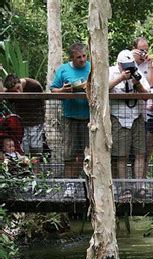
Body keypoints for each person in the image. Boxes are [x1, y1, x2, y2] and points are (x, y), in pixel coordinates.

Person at [109, 49, 150, 200]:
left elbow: (147, 96)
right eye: (124, 66)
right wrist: (120, 78)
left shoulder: (137, 72)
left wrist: (137, 84)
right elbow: (103, 89)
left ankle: (139, 187)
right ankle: (124, 188)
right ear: (119, 64)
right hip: (118, 119)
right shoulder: (111, 72)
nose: (127, 68)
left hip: (136, 118)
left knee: (140, 153)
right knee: (121, 155)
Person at [51, 42, 90, 198]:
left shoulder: (92, 68)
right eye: (78, 57)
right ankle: (69, 184)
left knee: (88, 154)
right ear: (72, 58)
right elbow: (53, 89)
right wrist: (64, 90)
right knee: (69, 153)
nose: (82, 60)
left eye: (84, 56)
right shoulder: (63, 69)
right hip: (70, 118)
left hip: (89, 118)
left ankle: (89, 184)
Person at [132, 37, 153, 176]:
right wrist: (133, 59)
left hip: (150, 116)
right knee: (133, 152)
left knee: (147, 151)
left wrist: (149, 64)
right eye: (141, 50)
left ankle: (142, 182)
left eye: (146, 50)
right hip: (133, 114)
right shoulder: (129, 63)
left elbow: (152, 85)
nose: (144, 53)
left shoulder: (152, 66)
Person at [3, 74, 45, 156]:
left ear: (19, 82)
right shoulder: (8, 91)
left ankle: (37, 169)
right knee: (23, 150)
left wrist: (43, 118)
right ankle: (26, 168)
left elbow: (43, 101)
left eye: (18, 88)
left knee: (36, 149)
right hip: (21, 123)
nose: (18, 92)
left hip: (36, 121)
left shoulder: (34, 85)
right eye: (15, 91)